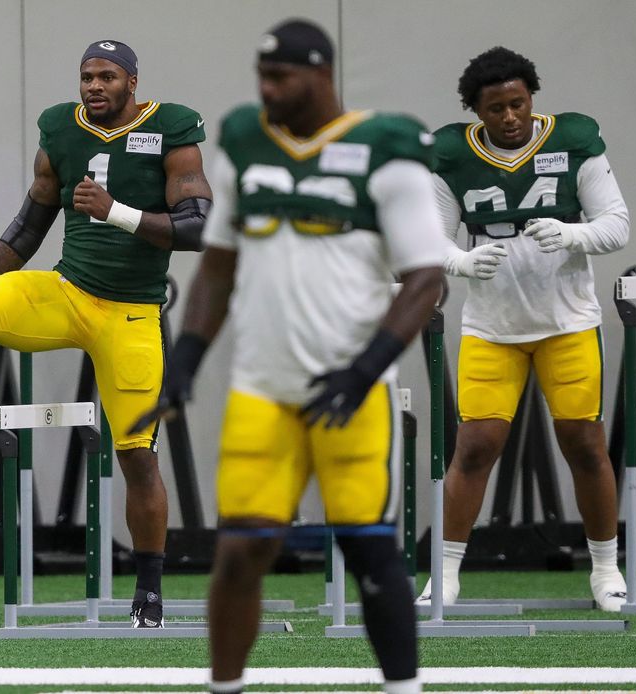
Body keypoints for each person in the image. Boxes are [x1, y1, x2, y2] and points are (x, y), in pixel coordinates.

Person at [131, 18, 445, 694]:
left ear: (322, 74)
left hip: (350, 391)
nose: (267, 90)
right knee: (240, 553)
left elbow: (427, 279)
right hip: (262, 389)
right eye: (261, 76)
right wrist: (186, 356)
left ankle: (405, 689)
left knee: (370, 551)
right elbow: (218, 265)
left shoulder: (385, 150)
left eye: (282, 77)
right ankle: (225, 687)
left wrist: (367, 368)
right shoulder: (247, 141)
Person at [0, 39, 212, 629]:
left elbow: (196, 228)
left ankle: (148, 589)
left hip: (131, 311)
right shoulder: (61, 128)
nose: (94, 86)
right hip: (67, 292)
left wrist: (115, 211)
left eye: (107, 76)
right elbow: (32, 219)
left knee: (137, 456)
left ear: (131, 82)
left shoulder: (171, 127)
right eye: (86, 76)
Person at [414, 46, 629, 612]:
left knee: (583, 443)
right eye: (495, 108)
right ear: (475, 111)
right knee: (476, 445)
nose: (510, 117)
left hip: (568, 320)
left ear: (533, 98)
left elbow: (616, 223)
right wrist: (457, 262)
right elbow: (430, 237)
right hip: (492, 323)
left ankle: (605, 569)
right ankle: (447, 573)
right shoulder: (450, 154)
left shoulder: (573, 138)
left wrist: (575, 235)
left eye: (518, 103)